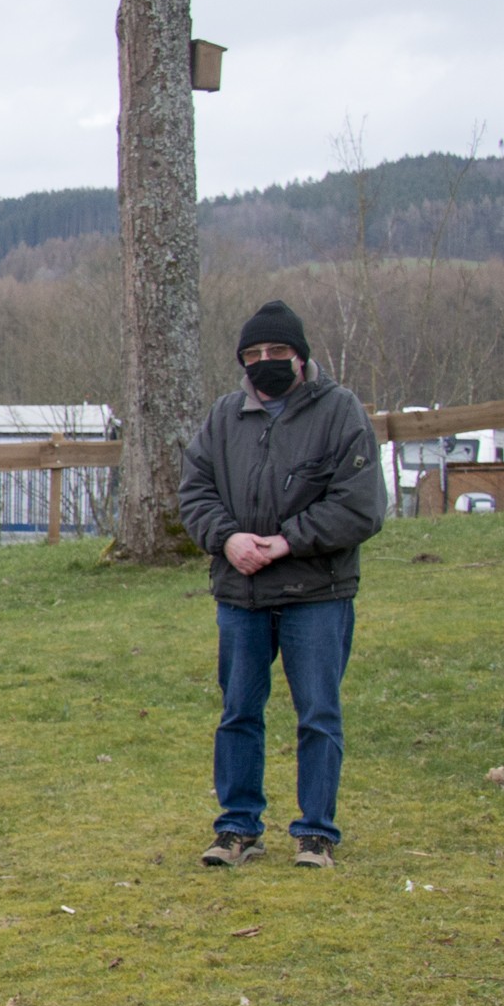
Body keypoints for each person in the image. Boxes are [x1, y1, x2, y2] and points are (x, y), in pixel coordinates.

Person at [178, 300, 386, 869]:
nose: (264, 362)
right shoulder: (224, 418)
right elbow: (194, 490)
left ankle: (316, 832)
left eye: (276, 353)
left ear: (300, 357)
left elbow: (361, 505)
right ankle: (237, 827)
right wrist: (227, 539)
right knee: (238, 711)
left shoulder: (341, 413)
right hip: (240, 594)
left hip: (316, 593)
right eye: (253, 355)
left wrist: (289, 540)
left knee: (318, 712)